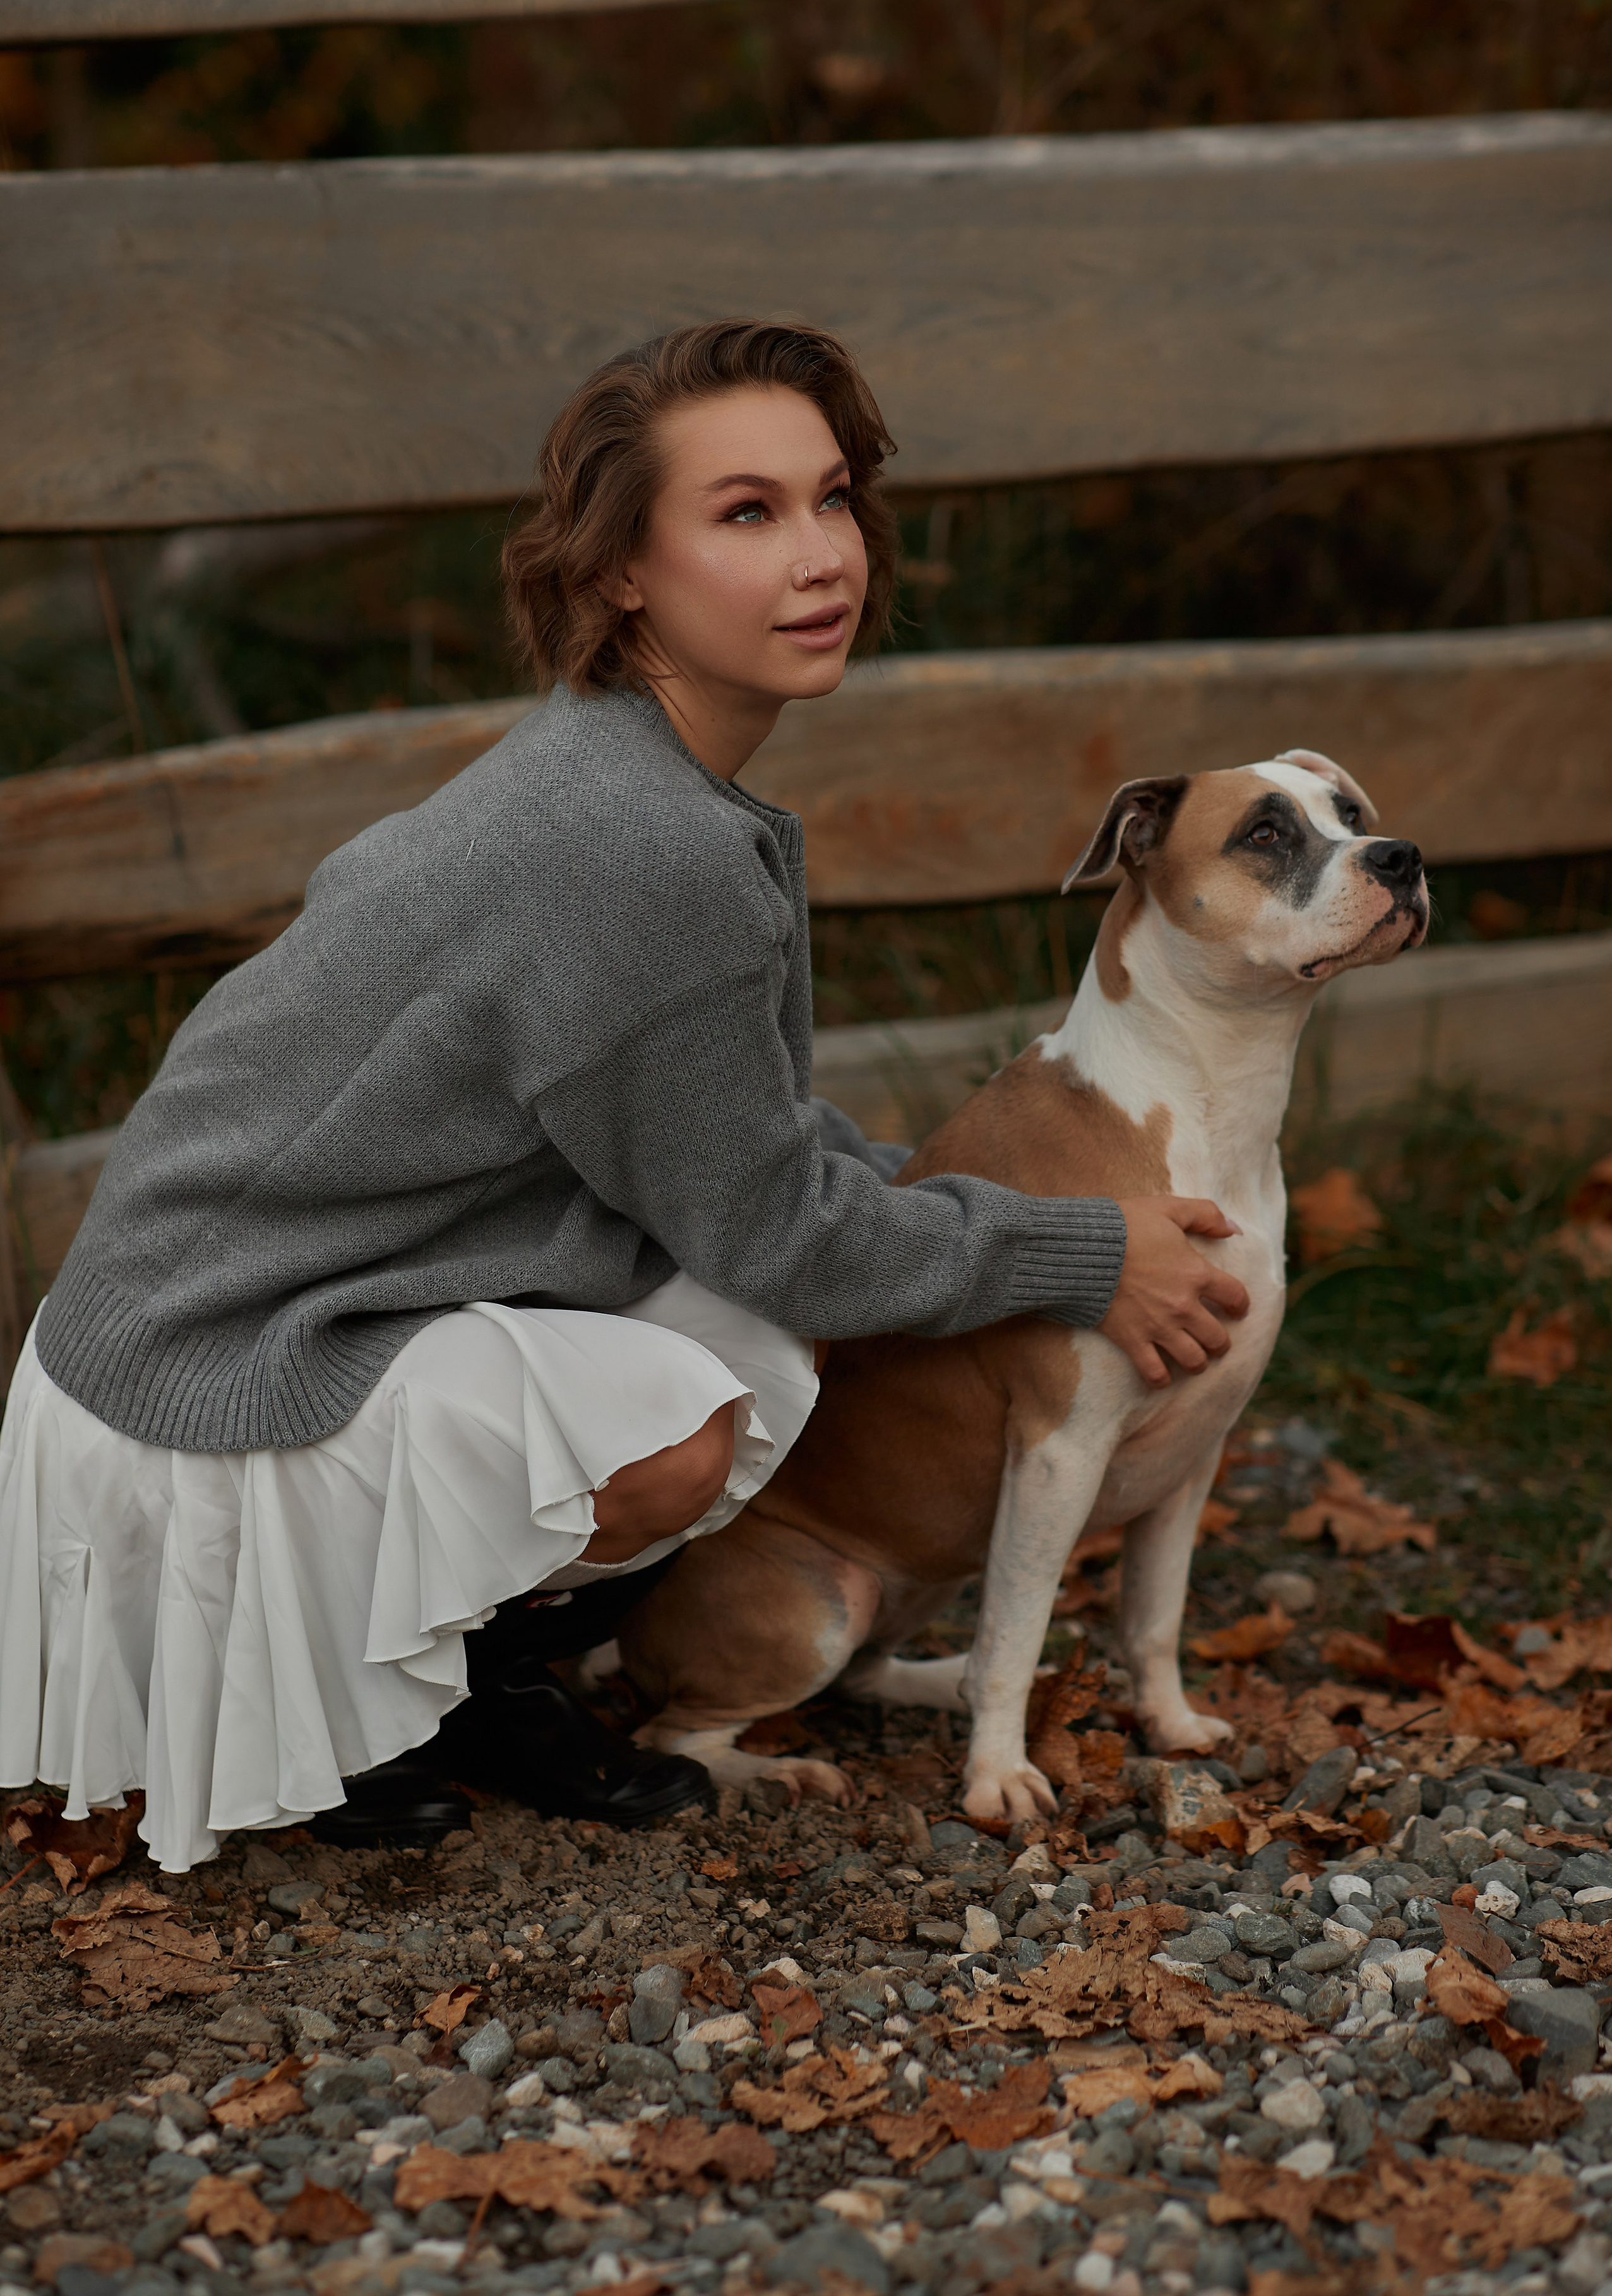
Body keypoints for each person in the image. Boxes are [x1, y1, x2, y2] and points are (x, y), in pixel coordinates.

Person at [0, 321, 1248, 1873]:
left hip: (298, 1302)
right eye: (745, 513)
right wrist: (1078, 1251)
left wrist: (992, 1211)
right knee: (699, 1412)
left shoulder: (638, 782)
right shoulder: (636, 844)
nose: (818, 555)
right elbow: (782, 1237)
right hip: (212, 1362)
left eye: (833, 498)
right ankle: (360, 1703)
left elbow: (737, 1154)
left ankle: (462, 1675)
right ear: (616, 576)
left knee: (743, 1333)